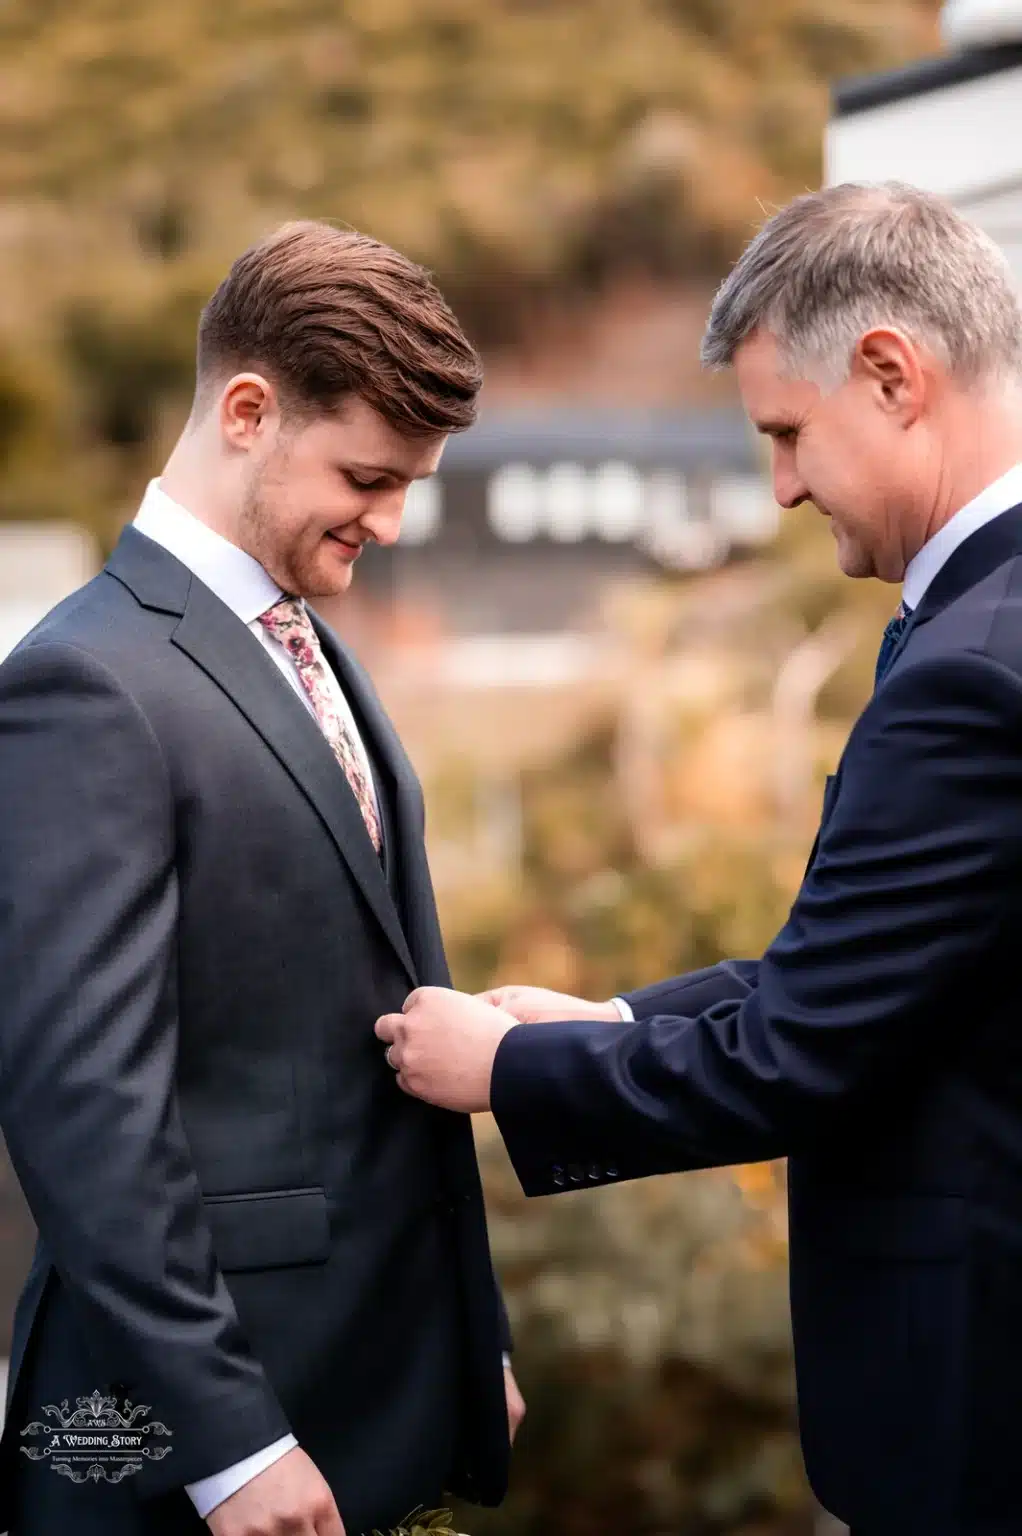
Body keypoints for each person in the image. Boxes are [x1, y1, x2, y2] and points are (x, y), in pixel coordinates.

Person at [376, 182, 1022, 1536]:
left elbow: (806, 1048)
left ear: (893, 376)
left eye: (786, 434)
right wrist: (614, 1017)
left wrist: (509, 1070)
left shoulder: (975, 666)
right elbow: (879, 968)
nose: (778, 485)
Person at [0, 220, 523, 1536]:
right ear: (247, 410)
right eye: (365, 474)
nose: (392, 521)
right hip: (192, 1437)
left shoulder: (309, 646)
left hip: (368, 1380)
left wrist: (467, 1332)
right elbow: (84, 1104)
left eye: (411, 483)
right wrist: (229, 1444)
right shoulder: (84, 683)